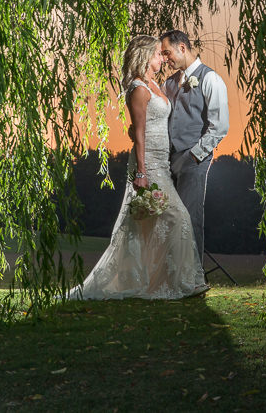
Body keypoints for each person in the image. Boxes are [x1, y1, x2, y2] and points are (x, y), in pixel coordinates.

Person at [66, 35, 209, 300]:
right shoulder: (138, 89)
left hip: (162, 161)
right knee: (178, 218)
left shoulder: (155, 85)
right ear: (145, 56)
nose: (162, 59)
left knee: (149, 225)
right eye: (158, 54)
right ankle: (177, 283)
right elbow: (140, 132)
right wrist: (141, 172)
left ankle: (164, 281)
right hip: (147, 162)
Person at [160, 30, 229, 265]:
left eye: (167, 53)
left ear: (182, 48)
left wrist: (195, 156)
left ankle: (194, 276)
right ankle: (172, 273)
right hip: (168, 159)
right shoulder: (169, 83)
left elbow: (219, 126)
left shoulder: (210, 79)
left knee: (189, 217)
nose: (165, 59)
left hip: (193, 158)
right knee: (169, 218)